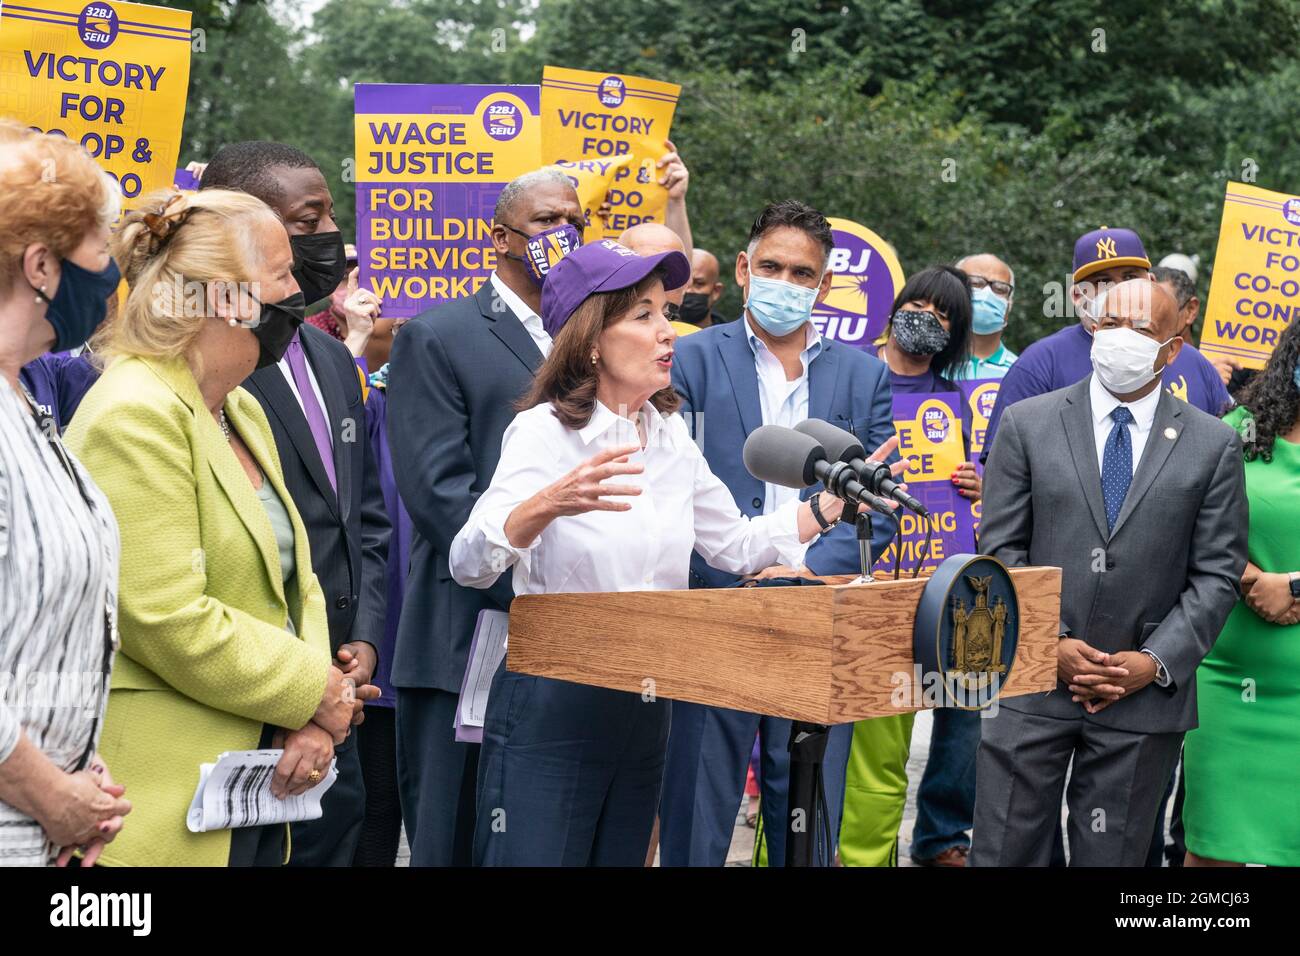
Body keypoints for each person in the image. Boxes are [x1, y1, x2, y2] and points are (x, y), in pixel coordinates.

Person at [451, 238, 849, 866]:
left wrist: (830, 506)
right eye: (643, 315)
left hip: (646, 700)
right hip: (556, 698)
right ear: (589, 339)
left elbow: (738, 545)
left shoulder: (668, 437)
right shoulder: (546, 431)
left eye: (667, 311)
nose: (668, 331)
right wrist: (546, 504)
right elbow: (468, 563)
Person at [66, 188, 369, 866]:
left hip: (262, 780)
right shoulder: (133, 412)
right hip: (164, 794)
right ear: (226, 297)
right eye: (283, 275)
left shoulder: (238, 409)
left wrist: (313, 715)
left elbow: (300, 585)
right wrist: (315, 690)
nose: (301, 292)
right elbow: (162, 614)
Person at [971, 279, 1247, 866]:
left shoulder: (1214, 445)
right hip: (1031, 685)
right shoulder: (1027, 423)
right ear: (1093, 327)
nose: (1120, 337)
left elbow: (1217, 575)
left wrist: (1152, 663)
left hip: (1141, 700)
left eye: (1141, 329)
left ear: (1172, 349)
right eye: (1111, 322)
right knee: (1003, 852)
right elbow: (1000, 552)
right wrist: (1053, 643)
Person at [659, 200, 900, 868]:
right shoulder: (688, 360)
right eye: (772, 267)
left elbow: (871, 495)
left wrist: (809, 573)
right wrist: (744, 565)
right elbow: (674, 487)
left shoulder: (864, 374)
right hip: (717, 610)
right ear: (743, 269)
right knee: (696, 818)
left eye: (802, 273)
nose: (786, 283)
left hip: (820, 614)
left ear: (824, 286)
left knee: (808, 816)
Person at [387, 166, 586, 866]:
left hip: (572, 637)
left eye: (576, 223)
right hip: (466, 635)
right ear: (498, 237)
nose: (564, 236)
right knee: (455, 838)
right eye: (545, 223)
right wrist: (544, 578)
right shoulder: (438, 336)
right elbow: (441, 495)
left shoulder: (594, 338)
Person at [200, 142, 391, 867]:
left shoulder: (337, 359)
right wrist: (301, 688)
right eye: (309, 221)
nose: (331, 241)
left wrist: (363, 643)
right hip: (253, 711)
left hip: (345, 698)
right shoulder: (215, 373)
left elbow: (363, 521)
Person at [0, 121, 130, 868]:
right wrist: (49, 790)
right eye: (100, 250)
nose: (111, 274)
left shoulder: (26, 402)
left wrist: (74, 764)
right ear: (41, 264)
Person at [841, 266, 982, 867]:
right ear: (895, 308)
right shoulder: (850, 377)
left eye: (943, 313)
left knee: (928, 725)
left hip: (932, 580)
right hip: (857, 578)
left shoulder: (953, 400)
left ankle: (922, 844)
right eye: (917, 303)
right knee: (861, 732)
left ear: (953, 334)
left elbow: (975, 486)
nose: (926, 316)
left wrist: (977, 484)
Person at [1182, 318, 1300, 868]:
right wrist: (1250, 578)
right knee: (1212, 850)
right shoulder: (1241, 430)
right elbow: (1188, 526)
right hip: (1230, 684)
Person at [981, 227, 1231, 463]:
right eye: (1102, 281)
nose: (1119, 289)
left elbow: (1229, 454)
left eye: (1130, 277)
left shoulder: (1191, 361)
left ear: (1151, 282)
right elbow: (1006, 466)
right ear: (1077, 296)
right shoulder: (1040, 364)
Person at [619, 222, 699, 337]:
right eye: (645, 270)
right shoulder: (599, 337)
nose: (657, 285)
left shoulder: (700, 347)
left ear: (687, 283)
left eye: (667, 273)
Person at [955, 253, 1018, 380]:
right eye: (975, 283)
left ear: (1009, 306)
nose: (987, 294)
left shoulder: (1021, 372)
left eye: (1000, 289)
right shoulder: (928, 365)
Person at [680, 248, 726, 329]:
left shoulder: (729, 339)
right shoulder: (656, 335)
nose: (688, 290)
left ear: (716, 291)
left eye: (698, 283)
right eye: (682, 283)